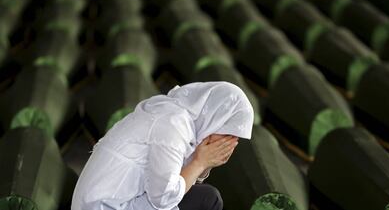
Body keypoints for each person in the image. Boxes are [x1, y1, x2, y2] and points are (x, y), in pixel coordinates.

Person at [71, 81, 255, 210]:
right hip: (106, 206)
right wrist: (199, 162)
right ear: (217, 119)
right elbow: (163, 198)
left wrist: (204, 163)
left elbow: (179, 180)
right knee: (209, 198)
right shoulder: (173, 125)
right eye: (228, 133)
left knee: (202, 195)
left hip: (109, 201)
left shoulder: (178, 118)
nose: (230, 142)